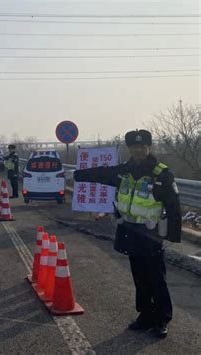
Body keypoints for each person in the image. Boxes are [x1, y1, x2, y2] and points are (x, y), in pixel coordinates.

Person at [73, 129, 181, 338]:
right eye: (134, 147)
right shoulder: (124, 171)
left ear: (149, 147)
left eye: (142, 146)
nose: (138, 150)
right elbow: (102, 173)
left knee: (156, 278)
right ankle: (145, 315)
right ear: (129, 149)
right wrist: (78, 175)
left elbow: (174, 205)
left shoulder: (160, 174)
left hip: (151, 235)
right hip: (130, 233)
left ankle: (161, 319)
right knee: (139, 277)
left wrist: (173, 236)